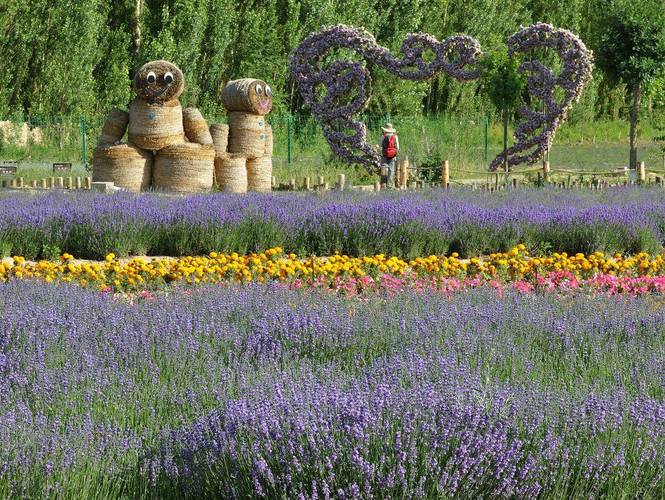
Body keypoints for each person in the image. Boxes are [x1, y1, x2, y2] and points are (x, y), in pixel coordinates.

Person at [379, 123, 399, 188]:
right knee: (391, 170)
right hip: (392, 156)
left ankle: (383, 184)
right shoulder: (395, 136)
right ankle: (390, 185)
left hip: (384, 155)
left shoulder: (383, 136)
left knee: (383, 168)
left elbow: (380, 145)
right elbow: (398, 148)